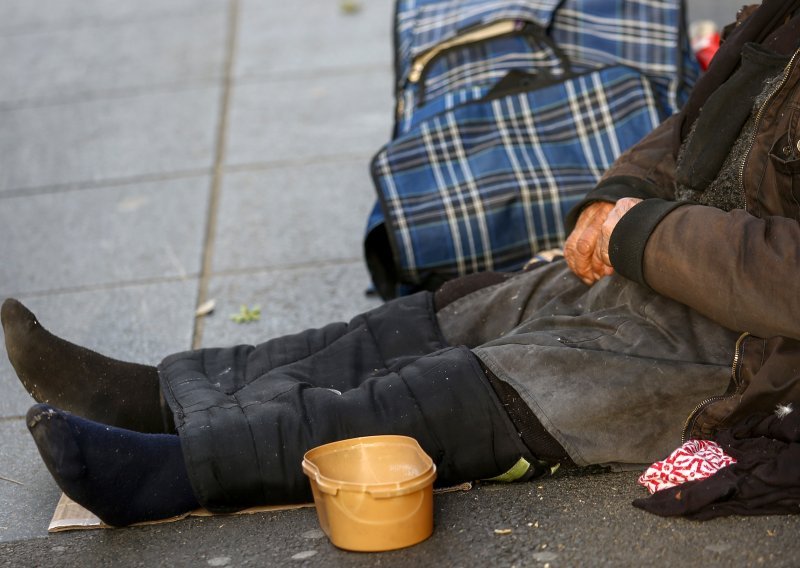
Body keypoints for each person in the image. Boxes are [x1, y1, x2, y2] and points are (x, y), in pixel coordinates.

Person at [4, 0, 800, 527]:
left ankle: (182, 470)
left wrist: (643, 232)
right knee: (453, 312)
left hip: (756, 358)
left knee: (499, 381)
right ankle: (166, 395)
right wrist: (617, 196)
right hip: (686, 255)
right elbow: (698, 119)